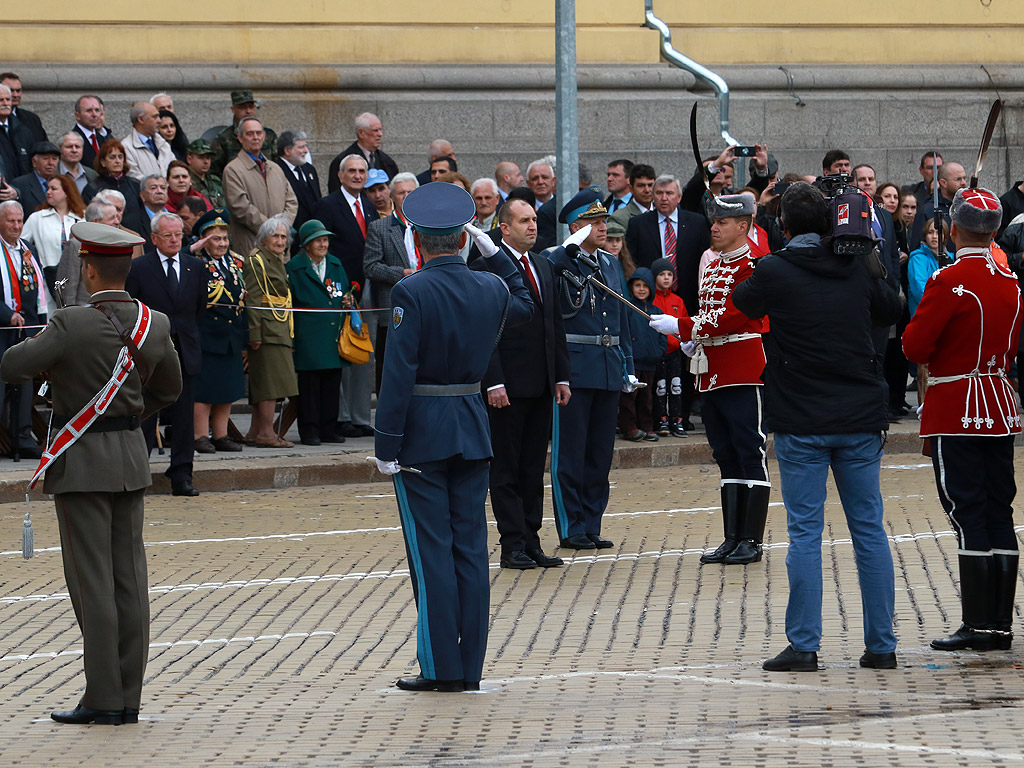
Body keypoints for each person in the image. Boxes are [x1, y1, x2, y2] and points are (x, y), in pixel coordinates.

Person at [0, 221, 182, 725]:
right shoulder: (154, 322)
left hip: (80, 463)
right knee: (130, 579)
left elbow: (12, 364)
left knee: (93, 583)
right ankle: (129, 698)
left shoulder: (71, 323)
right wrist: (125, 420)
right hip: (129, 457)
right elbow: (169, 389)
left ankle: (103, 697)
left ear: (88, 267)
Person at [732, 182, 901, 671]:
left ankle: (804, 645)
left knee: (805, 533)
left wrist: (761, 234)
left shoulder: (776, 268)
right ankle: (882, 644)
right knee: (869, 530)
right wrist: (870, 257)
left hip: (801, 417)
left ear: (784, 226)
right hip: (859, 415)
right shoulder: (856, 267)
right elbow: (893, 310)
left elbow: (745, 302)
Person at [373, 182, 534, 692]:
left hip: (421, 433)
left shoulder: (411, 290)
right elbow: (528, 303)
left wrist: (385, 442)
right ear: (465, 239)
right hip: (471, 425)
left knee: (432, 552)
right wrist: (499, 255)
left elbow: (398, 373)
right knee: (470, 548)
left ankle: (441, 667)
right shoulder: (491, 288)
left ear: (416, 241)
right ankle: (470, 669)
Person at [903, 187, 1022, 652]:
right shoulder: (1009, 279)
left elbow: (915, 346)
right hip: (999, 401)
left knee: (967, 511)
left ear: (954, 229)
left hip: (958, 403)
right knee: (998, 511)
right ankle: (999, 624)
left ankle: (980, 624)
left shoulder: (948, 279)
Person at [651, 194, 770, 565]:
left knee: (749, 448)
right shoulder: (715, 264)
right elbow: (711, 313)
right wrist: (693, 340)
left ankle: (751, 539)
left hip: (741, 365)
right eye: (713, 221)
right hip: (712, 365)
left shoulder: (753, 265)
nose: (714, 227)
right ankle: (733, 537)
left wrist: (684, 327)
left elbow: (734, 315)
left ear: (743, 226)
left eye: (722, 222)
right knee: (724, 452)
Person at [472, 196, 570, 569]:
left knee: (532, 468)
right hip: (506, 387)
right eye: (524, 221)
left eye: (533, 219)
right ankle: (511, 543)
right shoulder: (486, 268)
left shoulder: (543, 265)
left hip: (541, 384)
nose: (533, 226)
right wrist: (493, 381)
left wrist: (560, 375)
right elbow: (484, 331)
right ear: (504, 228)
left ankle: (532, 540)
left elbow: (554, 326)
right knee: (507, 468)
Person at [548, 189, 636, 550]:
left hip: (607, 367)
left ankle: (592, 522)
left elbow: (622, 318)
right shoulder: (558, 261)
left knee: (599, 453)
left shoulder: (611, 263)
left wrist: (627, 365)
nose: (603, 228)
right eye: (594, 222)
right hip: (574, 370)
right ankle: (572, 527)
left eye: (603, 221)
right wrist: (565, 250)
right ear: (576, 227)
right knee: (570, 452)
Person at [125, 212, 206, 497]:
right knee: (146, 415)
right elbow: (131, 311)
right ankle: (137, 473)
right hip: (149, 353)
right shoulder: (139, 268)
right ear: (154, 238)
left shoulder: (195, 267)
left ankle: (181, 475)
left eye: (178, 235)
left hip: (185, 351)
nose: (174, 240)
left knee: (185, 417)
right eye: (168, 235)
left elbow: (199, 308)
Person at [312, 154, 378, 437]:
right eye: (352, 171)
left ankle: (362, 417)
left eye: (362, 171)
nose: (357, 175)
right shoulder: (327, 206)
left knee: (363, 353)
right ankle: (341, 416)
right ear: (340, 176)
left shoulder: (370, 206)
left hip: (368, 288)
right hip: (340, 291)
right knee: (342, 351)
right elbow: (321, 248)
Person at [287, 219, 351, 446]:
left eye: (325, 240)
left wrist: (347, 300)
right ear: (306, 244)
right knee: (310, 387)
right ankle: (310, 430)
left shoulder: (335, 263)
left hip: (332, 335)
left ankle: (329, 428)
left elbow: (343, 290)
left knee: (332, 385)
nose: (323, 245)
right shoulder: (295, 267)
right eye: (318, 241)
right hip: (308, 336)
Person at [192, 209, 246, 454]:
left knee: (227, 388)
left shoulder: (236, 262)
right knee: (205, 389)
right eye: (216, 238)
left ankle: (221, 435)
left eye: (225, 238)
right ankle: (200, 435)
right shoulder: (195, 261)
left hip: (231, 333)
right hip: (206, 332)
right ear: (203, 239)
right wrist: (192, 249)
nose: (222, 243)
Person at [243, 214, 298, 447]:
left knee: (272, 382)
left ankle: (257, 431)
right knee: (269, 385)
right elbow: (254, 298)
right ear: (263, 239)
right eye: (275, 235)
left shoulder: (275, 259)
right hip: (267, 330)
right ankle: (266, 433)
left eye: (283, 236)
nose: (280, 240)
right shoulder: (257, 260)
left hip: (279, 328)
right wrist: (254, 333)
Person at [363, 172, 419, 391]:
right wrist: (402, 273)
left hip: (426, 305)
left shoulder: (427, 225)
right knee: (390, 372)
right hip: (394, 308)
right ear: (392, 197)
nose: (406, 196)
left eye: (410, 192)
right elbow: (370, 266)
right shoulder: (380, 228)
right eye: (401, 193)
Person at [0, 200, 47, 458]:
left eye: (19, 221)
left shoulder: (28, 249)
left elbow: (37, 289)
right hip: (2, 329)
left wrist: (40, 320)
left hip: (25, 330)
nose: (16, 226)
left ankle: (22, 438)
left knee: (25, 384)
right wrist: (8, 314)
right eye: (11, 220)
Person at [222, 117, 298, 257]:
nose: (255, 137)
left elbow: (291, 201)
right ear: (240, 138)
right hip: (252, 249)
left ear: (264, 136)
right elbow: (240, 208)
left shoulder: (275, 169)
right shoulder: (233, 170)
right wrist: (271, 230)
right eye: (250, 134)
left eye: (258, 133)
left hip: (280, 250)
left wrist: (282, 228)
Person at [21, 174, 85, 301]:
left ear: (67, 192)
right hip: (46, 283)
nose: (48, 192)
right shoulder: (37, 218)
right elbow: (21, 244)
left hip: (76, 282)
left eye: (53, 189)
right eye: (48, 188)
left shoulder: (81, 218)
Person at [619, 268, 664, 442]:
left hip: (651, 361)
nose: (642, 289)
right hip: (633, 362)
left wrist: (658, 352)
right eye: (638, 285)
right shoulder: (628, 308)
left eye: (645, 285)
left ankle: (646, 427)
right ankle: (628, 427)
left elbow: (662, 335)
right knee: (629, 397)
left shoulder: (657, 311)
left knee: (647, 398)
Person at [649, 259, 687, 437]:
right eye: (661, 274)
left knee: (676, 386)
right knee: (660, 387)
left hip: (675, 351)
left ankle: (676, 419)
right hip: (658, 352)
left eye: (669, 274)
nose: (666, 278)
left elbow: (685, 322)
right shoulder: (652, 299)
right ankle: (661, 419)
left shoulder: (677, 300)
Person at [209, 90, 279, 177]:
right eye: (242, 107)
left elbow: (278, 165)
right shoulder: (223, 139)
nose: (248, 111)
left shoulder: (269, 135)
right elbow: (214, 172)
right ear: (233, 109)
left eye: (251, 107)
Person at [84, 139, 145, 234]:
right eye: (112, 157)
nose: (117, 161)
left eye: (120, 157)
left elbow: (143, 214)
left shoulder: (135, 184)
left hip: (135, 237)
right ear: (103, 162)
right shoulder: (93, 188)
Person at [327, 112, 399, 193]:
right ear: (361, 133)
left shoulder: (387, 161)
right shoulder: (341, 161)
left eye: (380, 130)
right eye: (375, 130)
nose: (380, 134)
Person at [121, 101, 174, 181]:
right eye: (155, 117)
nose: (159, 121)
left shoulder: (163, 143)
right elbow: (134, 178)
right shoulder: (126, 147)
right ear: (141, 119)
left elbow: (175, 169)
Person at [907, 217, 949, 317]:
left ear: (945, 236)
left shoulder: (950, 257)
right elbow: (920, 290)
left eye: (938, 232)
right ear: (925, 235)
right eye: (930, 232)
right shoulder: (917, 258)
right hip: (924, 314)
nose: (934, 236)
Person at [71, 95, 112, 171]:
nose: (94, 115)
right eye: (89, 110)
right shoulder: (71, 141)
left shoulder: (104, 139)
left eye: (97, 110)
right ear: (77, 115)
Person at [185, 139, 226, 209]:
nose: (206, 162)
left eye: (208, 158)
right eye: (201, 157)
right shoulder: (185, 181)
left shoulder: (215, 180)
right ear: (189, 159)